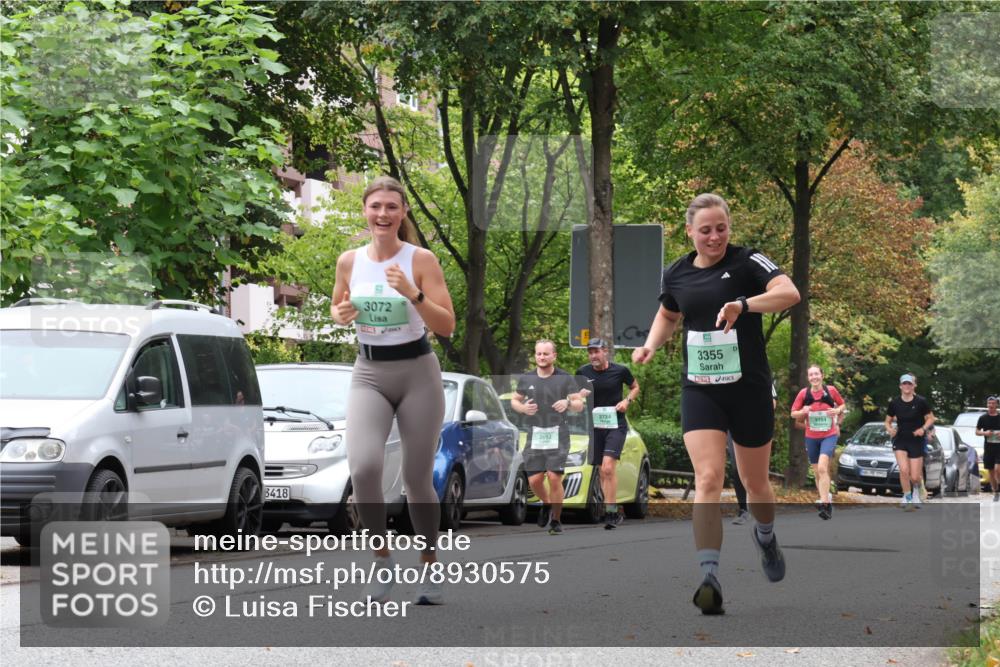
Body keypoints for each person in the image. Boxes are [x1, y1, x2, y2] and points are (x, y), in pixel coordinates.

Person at [632, 193, 801, 615]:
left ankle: (765, 535)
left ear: (729, 227)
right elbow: (669, 315)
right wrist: (651, 345)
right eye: (705, 230)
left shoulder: (748, 262)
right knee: (708, 478)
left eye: (721, 228)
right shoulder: (676, 274)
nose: (714, 237)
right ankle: (709, 576)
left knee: (755, 483)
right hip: (701, 388)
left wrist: (744, 305)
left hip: (749, 389)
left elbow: (789, 293)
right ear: (689, 231)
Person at [331, 175, 456, 605]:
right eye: (375, 206)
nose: (382, 214)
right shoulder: (349, 261)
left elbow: (447, 325)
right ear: (365, 211)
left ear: (402, 213)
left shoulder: (421, 259)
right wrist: (341, 313)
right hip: (368, 372)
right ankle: (381, 562)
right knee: (364, 468)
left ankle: (429, 567)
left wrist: (414, 293)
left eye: (391, 207)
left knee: (417, 479)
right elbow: (336, 305)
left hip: (418, 373)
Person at [511, 339, 584, 535]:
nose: (541, 357)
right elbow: (515, 400)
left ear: (554, 356)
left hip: (558, 433)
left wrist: (567, 402)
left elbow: (579, 404)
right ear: (535, 356)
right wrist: (523, 408)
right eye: (538, 354)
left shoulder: (565, 378)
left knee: (553, 477)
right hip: (535, 434)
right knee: (534, 480)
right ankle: (546, 503)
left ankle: (556, 520)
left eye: (545, 354)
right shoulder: (527, 379)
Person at [576, 337, 640, 529]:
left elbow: (635, 387)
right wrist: (579, 396)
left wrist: (626, 401)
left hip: (616, 425)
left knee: (608, 468)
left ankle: (611, 513)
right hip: (595, 426)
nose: (593, 355)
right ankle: (610, 508)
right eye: (590, 352)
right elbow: (573, 399)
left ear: (605, 351)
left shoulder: (620, 370)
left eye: (596, 351)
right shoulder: (582, 372)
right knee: (602, 471)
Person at [790, 365, 846, 520]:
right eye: (811, 375)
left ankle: (826, 505)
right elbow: (793, 413)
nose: (814, 377)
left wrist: (837, 411)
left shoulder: (831, 390)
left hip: (829, 434)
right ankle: (824, 496)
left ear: (822, 375)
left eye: (816, 374)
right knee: (817, 472)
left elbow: (842, 405)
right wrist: (803, 412)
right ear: (808, 378)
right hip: (811, 437)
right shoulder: (804, 393)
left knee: (822, 467)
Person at [885, 373, 934, 510]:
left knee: (915, 476)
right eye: (904, 384)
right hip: (900, 439)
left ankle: (917, 492)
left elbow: (931, 418)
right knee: (903, 470)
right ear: (900, 386)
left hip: (916, 440)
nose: (907, 386)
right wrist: (890, 429)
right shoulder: (894, 403)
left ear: (914, 386)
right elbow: (887, 421)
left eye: (909, 384)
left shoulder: (921, 401)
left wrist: (923, 429)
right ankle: (907, 497)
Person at [729, 383, 776, 525]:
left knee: (755, 474)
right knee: (736, 466)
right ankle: (743, 509)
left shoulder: (756, 370)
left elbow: (772, 402)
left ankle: (762, 513)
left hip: (753, 424)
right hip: (732, 426)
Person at [976, 395, 1000, 502]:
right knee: (990, 472)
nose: (990, 405)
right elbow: (976, 432)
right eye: (989, 403)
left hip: (999, 448)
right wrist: (984, 433)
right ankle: (996, 491)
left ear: (996, 405)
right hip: (988, 448)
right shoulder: (983, 418)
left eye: (993, 403)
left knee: (997, 469)